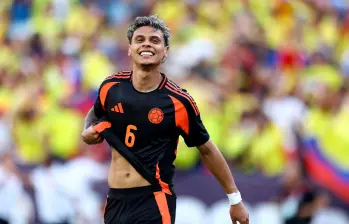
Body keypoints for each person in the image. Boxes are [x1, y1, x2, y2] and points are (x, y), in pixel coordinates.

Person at [81, 15, 249, 224]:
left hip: (153, 199)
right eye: (140, 39)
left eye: (155, 41)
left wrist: (235, 200)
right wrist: (87, 130)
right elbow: (96, 112)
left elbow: (206, 148)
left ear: (166, 51)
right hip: (115, 200)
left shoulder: (178, 101)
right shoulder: (111, 87)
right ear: (130, 48)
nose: (147, 45)